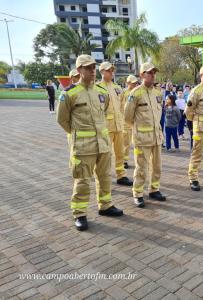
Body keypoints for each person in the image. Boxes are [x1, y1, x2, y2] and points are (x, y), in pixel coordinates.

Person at [57, 54, 123, 231]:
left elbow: (104, 112)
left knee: (105, 177)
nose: (92, 71)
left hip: (103, 144)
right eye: (88, 68)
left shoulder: (102, 92)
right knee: (82, 181)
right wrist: (78, 135)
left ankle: (106, 205)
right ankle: (79, 213)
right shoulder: (69, 94)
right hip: (83, 147)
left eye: (94, 67)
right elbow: (63, 120)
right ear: (79, 70)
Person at [124, 62, 166, 207]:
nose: (153, 75)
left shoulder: (157, 93)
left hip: (156, 137)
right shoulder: (135, 94)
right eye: (149, 72)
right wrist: (138, 130)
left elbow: (159, 114)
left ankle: (154, 189)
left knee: (157, 166)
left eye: (154, 72)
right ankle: (138, 193)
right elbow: (128, 117)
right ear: (142, 75)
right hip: (142, 138)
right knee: (141, 167)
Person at [98, 62, 133, 186]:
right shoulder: (97, 88)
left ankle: (121, 175)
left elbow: (123, 107)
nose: (111, 73)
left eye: (112, 70)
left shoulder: (118, 88)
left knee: (120, 153)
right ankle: (104, 178)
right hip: (105, 128)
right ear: (101, 71)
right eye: (108, 70)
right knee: (105, 156)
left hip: (119, 126)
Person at [121, 75, 140, 169]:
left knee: (137, 142)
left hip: (136, 121)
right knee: (126, 143)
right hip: (126, 122)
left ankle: (139, 160)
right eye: (133, 83)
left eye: (135, 83)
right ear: (128, 83)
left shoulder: (137, 92)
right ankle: (124, 160)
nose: (135, 84)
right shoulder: (123, 92)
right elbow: (120, 106)